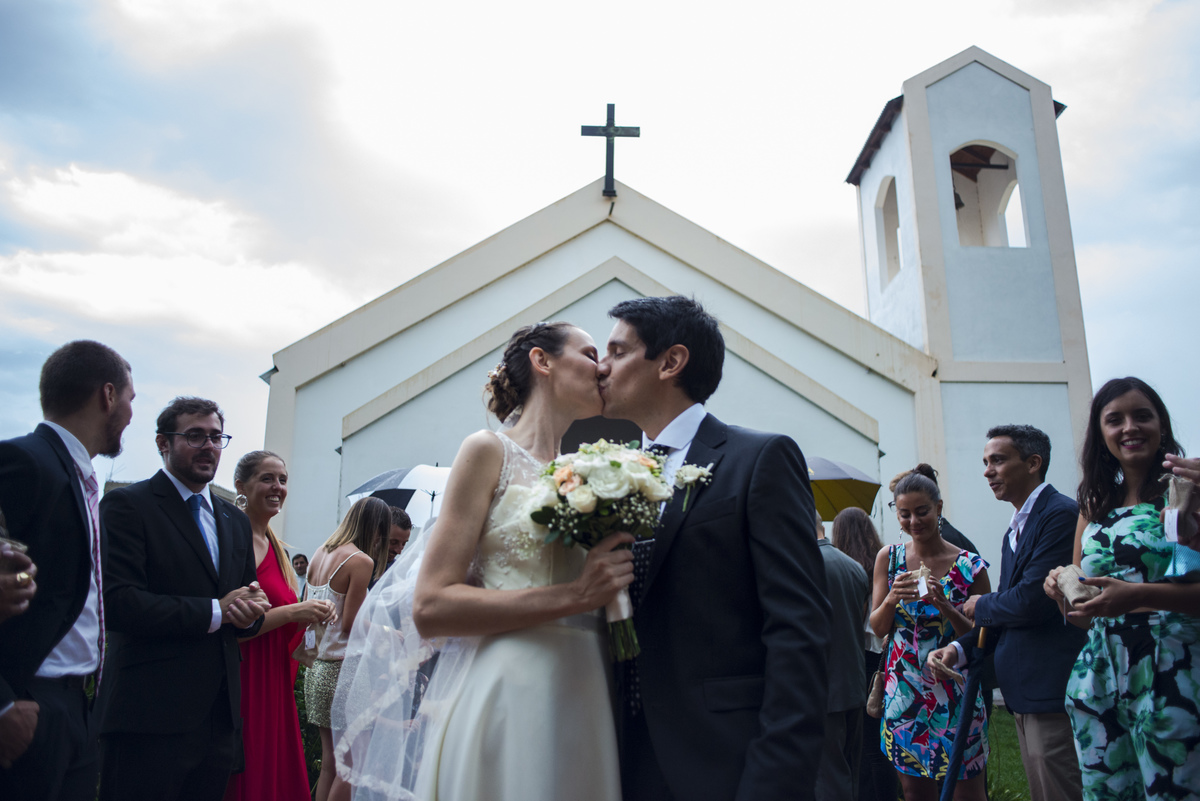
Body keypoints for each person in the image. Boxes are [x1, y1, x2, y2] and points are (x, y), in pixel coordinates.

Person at [333, 321, 631, 801]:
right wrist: (574, 596)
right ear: (543, 361)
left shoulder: (583, 474)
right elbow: (430, 608)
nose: (602, 369)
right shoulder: (488, 450)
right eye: (591, 352)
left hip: (588, 686)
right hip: (512, 688)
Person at [597, 296, 830, 801]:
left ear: (671, 362)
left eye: (616, 351)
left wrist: (775, 779)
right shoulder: (608, 476)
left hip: (727, 759)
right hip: (616, 754)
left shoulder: (759, 458)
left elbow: (799, 628)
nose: (601, 366)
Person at [97, 396, 270, 801]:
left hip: (217, 721)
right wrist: (216, 610)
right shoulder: (128, 506)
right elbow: (118, 603)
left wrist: (250, 613)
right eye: (195, 436)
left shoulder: (234, 521)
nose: (209, 446)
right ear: (163, 443)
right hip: (147, 717)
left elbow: (247, 604)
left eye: (216, 437)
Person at [1043, 378, 1200, 799]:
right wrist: (1062, 590)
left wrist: (1139, 597)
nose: (1129, 427)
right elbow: (1082, 612)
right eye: (1115, 419)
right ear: (1101, 434)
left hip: (1173, 673)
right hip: (1098, 676)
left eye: (1142, 416)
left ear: (1161, 426)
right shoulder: (1093, 507)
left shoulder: (1188, 492)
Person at [0, 340, 134, 801]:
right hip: (30, 701)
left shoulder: (87, 480)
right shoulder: (24, 462)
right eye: (131, 400)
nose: (131, 414)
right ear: (108, 396)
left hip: (78, 706)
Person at [930, 425, 1085, 801]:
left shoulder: (1060, 514)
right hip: (1025, 695)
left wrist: (980, 603)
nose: (987, 471)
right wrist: (960, 649)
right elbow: (1009, 609)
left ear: (1034, 463)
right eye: (985, 462)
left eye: (997, 460)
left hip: (1051, 690)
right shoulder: (1015, 527)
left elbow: (1030, 601)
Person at [870, 465, 990, 801]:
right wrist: (893, 597)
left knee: (966, 788)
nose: (913, 522)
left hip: (954, 690)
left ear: (939, 507)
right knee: (913, 791)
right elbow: (877, 626)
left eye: (922, 512)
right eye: (904, 514)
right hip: (904, 690)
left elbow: (984, 638)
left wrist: (946, 606)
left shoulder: (969, 565)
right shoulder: (889, 558)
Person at [223, 451, 335, 801]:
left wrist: (313, 617)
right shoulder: (235, 540)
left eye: (282, 480)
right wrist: (295, 612)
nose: (277, 487)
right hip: (246, 679)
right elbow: (235, 625)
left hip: (274, 679)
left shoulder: (274, 543)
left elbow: (283, 624)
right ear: (241, 485)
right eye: (267, 479)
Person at [304, 495, 388, 801]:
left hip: (317, 669)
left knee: (331, 765)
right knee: (351, 765)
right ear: (376, 529)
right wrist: (390, 633)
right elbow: (353, 623)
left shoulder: (319, 553)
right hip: (344, 671)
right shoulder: (361, 561)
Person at [830, 506, 898, 801]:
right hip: (880, 658)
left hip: (855, 659)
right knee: (876, 742)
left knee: (861, 744)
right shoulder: (882, 563)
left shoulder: (841, 566)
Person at [815, 511, 870, 801]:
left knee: (829, 779)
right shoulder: (854, 567)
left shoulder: (803, 566)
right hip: (853, 684)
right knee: (850, 773)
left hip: (823, 688)